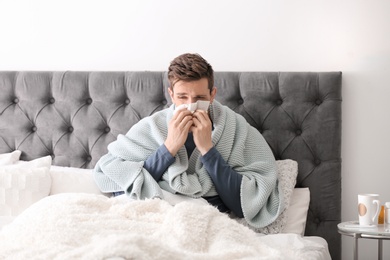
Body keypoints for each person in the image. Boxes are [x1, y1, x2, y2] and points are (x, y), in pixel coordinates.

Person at [94, 53, 283, 228]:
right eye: (182, 97)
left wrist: (208, 150)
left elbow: (244, 204)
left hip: (210, 220)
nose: (190, 105)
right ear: (171, 95)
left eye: (200, 97)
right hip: (160, 218)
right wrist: (169, 148)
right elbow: (124, 182)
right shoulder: (153, 126)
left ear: (212, 95)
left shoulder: (235, 128)